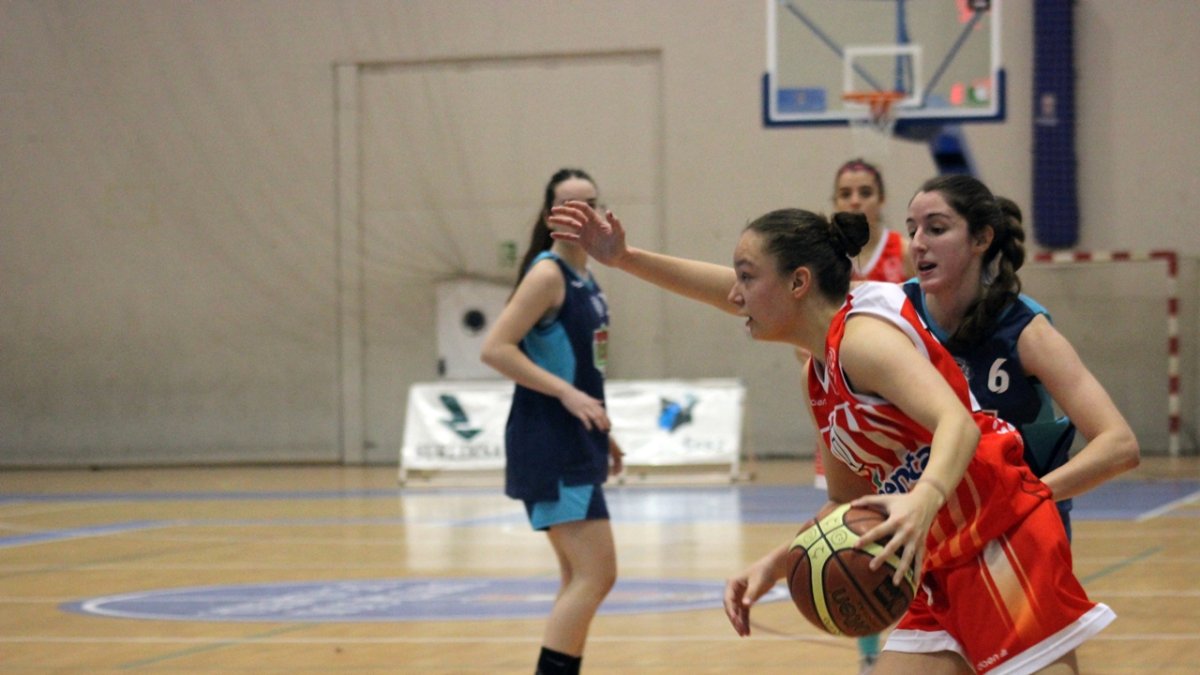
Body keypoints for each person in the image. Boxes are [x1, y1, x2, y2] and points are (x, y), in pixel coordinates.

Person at [549, 199, 1118, 673]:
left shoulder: (862, 340)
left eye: (748, 277)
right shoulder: (818, 376)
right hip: (930, 555)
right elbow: (845, 504)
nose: (736, 294)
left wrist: (923, 498)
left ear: (799, 282)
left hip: (998, 533)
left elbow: (958, 425)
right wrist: (777, 562)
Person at [902, 176, 1140, 540]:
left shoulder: (1025, 330)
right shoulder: (893, 315)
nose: (918, 243)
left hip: (1020, 534)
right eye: (912, 229)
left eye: (936, 229)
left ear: (981, 239)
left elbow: (1120, 445)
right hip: (934, 527)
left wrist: (1027, 496)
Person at [480, 168, 624, 675]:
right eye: (570, 206)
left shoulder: (588, 279)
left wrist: (604, 431)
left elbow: (587, 369)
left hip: (576, 442)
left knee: (579, 578)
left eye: (591, 203)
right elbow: (494, 348)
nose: (582, 213)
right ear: (551, 218)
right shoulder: (547, 276)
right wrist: (566, 395)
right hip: (550, 444)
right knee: (596, 575)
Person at [817, 158, 918, 673]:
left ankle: (927, 633)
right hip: (848, 414)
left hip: (905, 411)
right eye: (845, 193)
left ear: (881, 200)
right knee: (855, 537)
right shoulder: (825, 261)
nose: (854, 201)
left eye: (864, 192)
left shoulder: (904, 253)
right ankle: (869, 653)